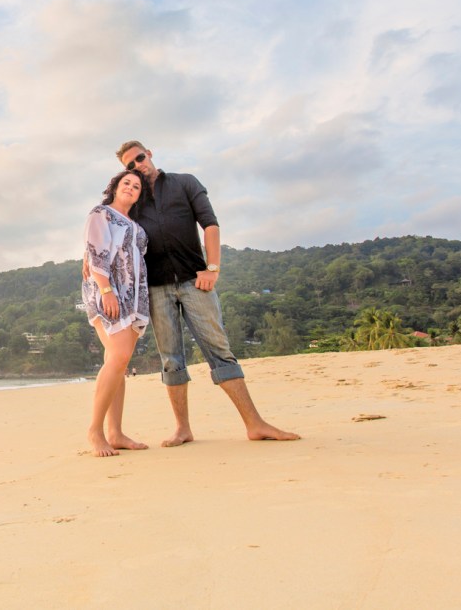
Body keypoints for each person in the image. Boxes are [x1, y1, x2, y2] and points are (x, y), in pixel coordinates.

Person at [116, 140, 300, 445]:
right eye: (129, 166)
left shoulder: (185, 183)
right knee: (171, 359)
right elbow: (110, 228)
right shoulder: (133, 201)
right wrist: (88, 260)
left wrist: (212, 268)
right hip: (156, 289)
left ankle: (255, 424)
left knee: (219, 351)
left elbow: (210, 225)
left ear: (149, 153)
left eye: (139, 158)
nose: (136, 166)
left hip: (195, 281)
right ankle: (183, 429)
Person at [82, 169, 152, 457]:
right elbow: (95, 250)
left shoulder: (136, 225)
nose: (131, 188)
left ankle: (116, 432)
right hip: (109, 292)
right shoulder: (102, 213)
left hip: (134, 298)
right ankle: (95, 431)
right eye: (127, 183)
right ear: (115, 187)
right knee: (119, 357)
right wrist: (106, 289)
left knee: (118, 361)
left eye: (136, 186)